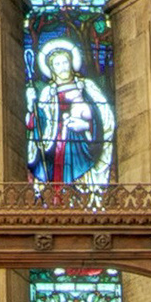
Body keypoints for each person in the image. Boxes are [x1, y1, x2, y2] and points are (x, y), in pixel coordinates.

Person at [25, 35, 115, 189]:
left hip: (81, 142)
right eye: (57, 64)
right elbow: (38, 123)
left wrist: (87, 126)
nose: (63, 67)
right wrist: (31, 104)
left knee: (82, 177)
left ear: (72, 63)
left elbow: (103, 115)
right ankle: (54, 194)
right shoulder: (47, 92)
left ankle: (85, 192)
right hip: (53, 145)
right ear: (52, 68)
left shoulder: (86, 86)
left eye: (65, 62)